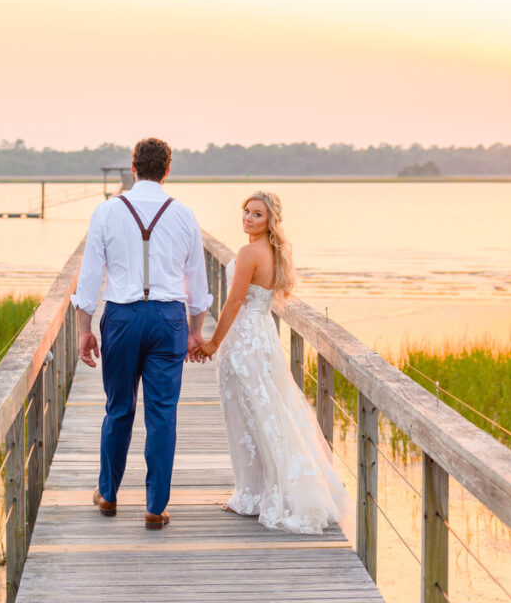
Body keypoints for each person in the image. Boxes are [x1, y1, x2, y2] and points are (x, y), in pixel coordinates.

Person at [72, 137, 212, 530]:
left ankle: (109, 494)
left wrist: (84, 329)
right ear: (167, 170)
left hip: (121, 317)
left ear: (133, 167)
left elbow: (89, 278)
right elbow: (197, 284)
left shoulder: (106, 212)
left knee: (119, 408)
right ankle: (155, 507)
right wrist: (195, 331)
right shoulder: (184, 215)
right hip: (168, 318)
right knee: (162, 414)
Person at [193, 190, 351, 534]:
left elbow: (234, 301)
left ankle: (252, 495)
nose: (248, 219)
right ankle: (261, 490)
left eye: (257, 215)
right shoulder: (274, 252)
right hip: (262, 335)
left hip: (244, 340)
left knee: (248, 416)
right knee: (268, 413)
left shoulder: (249, 252)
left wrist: (213, 342)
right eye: (246, 212)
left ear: (270, 221)